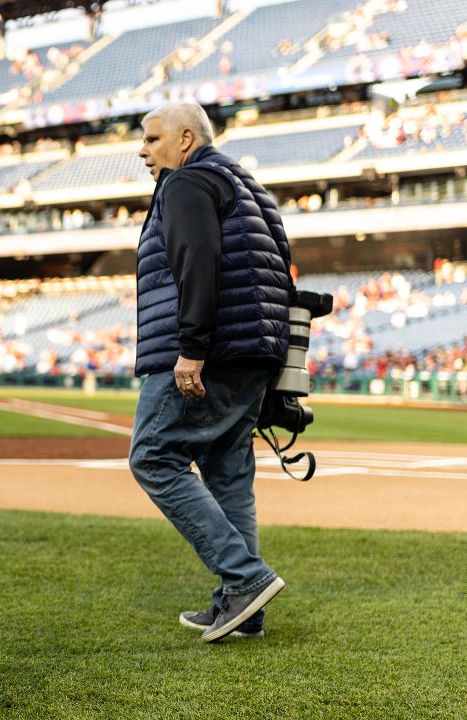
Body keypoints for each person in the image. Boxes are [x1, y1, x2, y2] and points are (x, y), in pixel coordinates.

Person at [131, 102, 293, 642]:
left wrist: (192, 347)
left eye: (152, 139)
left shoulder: (186, 182)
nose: (143, 150)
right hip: (254, 353)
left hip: (213, 349)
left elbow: (196, 256)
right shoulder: (247, 186)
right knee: (227, 471)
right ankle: (241, 609)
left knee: (152, 456)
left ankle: (246, 579)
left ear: (184, 139)